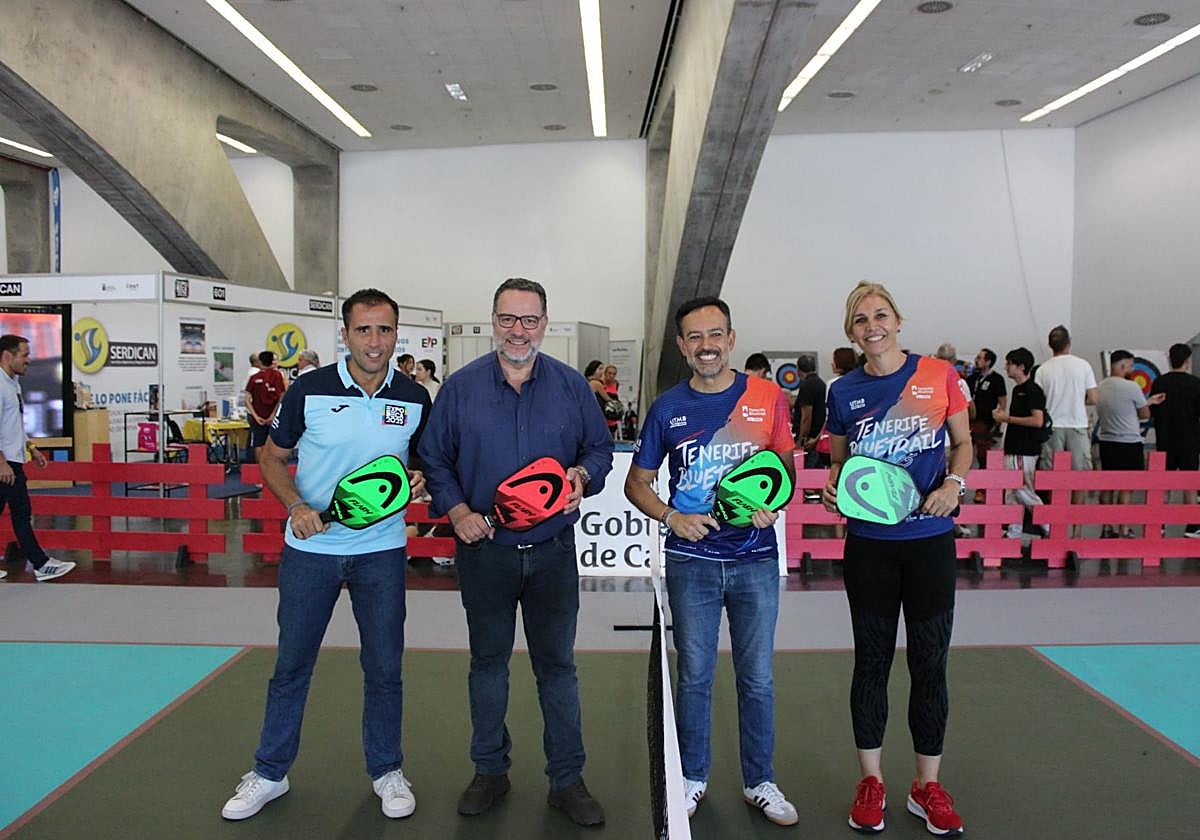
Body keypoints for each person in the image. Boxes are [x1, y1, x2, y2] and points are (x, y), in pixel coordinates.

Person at [220, 289, 431, 822]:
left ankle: (386, 770)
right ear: (345, 335)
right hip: (310, 552)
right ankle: (269, 772)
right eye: (364, 330)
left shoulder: (414, 397)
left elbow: (422, 467)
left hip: (381, 552)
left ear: (396, 333)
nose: (375, 342)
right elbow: (270, 456)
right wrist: (294, 505)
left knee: (384, 668)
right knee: (292, 665)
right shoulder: (309, 390)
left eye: (385, 330)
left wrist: (420, 480)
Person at [419, 278, 613, 827]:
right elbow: (435, 458)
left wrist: (583, 474)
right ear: (493, 321)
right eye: (508, 319)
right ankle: (489, 771)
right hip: (486, 555)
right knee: (488, 666)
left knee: (558, 668)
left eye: (529, 320)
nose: (518, 331)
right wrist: (457, 512)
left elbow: (598, 448)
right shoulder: (460, 388)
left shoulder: (573, 387)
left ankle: (567, 780)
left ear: (545, 324)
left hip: (553, 552)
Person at [624, 296, 798, 827]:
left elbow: (784, 475)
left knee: (758, 678)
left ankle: (760, 782)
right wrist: (671, 515)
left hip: (755, 563)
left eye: (715, 334)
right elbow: (637, 483)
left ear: (731, 338)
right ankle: (692, 778)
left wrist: (773, 506)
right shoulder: (667, 407)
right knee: (695, 675)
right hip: (691, 563)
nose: (707, 346)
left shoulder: (768, 398)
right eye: (695, 337)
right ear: (682, 346)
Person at [821, 282, 971, 837]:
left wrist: (954, 483)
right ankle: (873, 782)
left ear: (899, 320)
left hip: (930, 539)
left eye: (880, 315)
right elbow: (839, 464)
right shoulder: (844, 391)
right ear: (851, 332)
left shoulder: (939, 375)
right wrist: (833, 488)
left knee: (930, 662)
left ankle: (926, 786)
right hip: (870, 546)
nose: (871, 326)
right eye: (860, 319)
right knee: (873, 661)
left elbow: (964, 443)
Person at [0, 335, 75, 582]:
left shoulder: (13, 384)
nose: (29, 360)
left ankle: (41, 563)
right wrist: (1, 462)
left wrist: (31, 448)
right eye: (24, 354)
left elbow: (14, 426)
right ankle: (41, 564)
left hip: (13, 459)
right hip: (5, 464)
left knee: (20, 512)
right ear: (7, 356)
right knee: (22, 512)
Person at [1096, 350, 1163, 537]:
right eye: (1131, 365)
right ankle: (1124, 528)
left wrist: (1146, 401)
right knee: (1126, 487)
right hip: (1129, 443)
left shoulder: (1100, 386)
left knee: (1107, 486)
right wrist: (1147, 404)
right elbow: (1144, 414)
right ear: (1123, 365)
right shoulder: (1132, 387)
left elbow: (1122, 408)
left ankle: (1106, 527)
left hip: (1107, 441)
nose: (1132, 369)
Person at [992, 347, 1046, 539]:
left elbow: (1037, 420)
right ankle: (1014, 531)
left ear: (1021, 366)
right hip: (1014, 447)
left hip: (1025, 448)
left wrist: (1007, 419)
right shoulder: (1017, 390)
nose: (1006, 367)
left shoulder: (1033, 390)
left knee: (1021, 488)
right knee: (1011, 492)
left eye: (1009, 364)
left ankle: (1048, 523)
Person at [1149, 343, 1200, 537]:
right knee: (1189, 483)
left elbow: (1152, 409)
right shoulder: (1196, 383)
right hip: (1190, 440)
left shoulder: (1160, 382)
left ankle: (1159, 523)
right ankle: (1193, 526)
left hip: (1165, 438)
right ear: (1187, 361)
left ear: (1170, 360)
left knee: (1163, 483)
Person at [966, 348, 1006, 470]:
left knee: (983, 451)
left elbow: (1002, 402)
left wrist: (998, 421)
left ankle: (984, 478)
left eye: (979, 358)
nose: (976, 360)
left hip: (985, 420)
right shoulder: (972, 378)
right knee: (964, 448)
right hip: (968, 420)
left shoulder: (997, 379)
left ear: (988, 362)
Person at [244, 350, 287, 463]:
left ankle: (260, 473)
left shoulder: (254, 377)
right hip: (274, 417)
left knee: (259, 444)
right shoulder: (278, 376)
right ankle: (275, 471)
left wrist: (255, 416)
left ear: (260, 362)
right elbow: (282, 396)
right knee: (276, 444)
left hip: (258, 417)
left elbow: (247, 399)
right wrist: (273, 415)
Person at [792, 354, 827, 468]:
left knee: (805, 473)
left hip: (808, 442)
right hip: (817, 438)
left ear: (798, 369)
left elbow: (806, 417)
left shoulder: (806, 385)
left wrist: (801, 440)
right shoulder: (820, 383)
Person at [602, 363, 621, 439]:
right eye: (609, 373)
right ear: (605, 373)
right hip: (602, 418)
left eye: (614, 374)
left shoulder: (616, 383)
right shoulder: (600, 384)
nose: (611, 376)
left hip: (612, 419)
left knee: (611, 440)